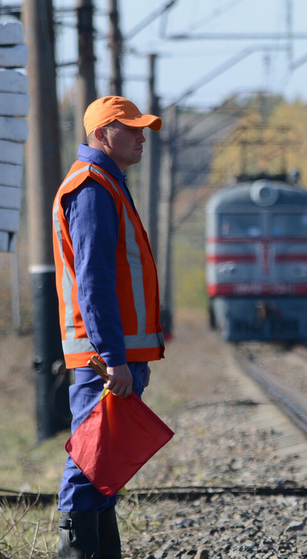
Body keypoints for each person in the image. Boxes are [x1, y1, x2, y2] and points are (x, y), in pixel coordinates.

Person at [52, 96, 166, 558]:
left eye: (143, 129)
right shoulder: (93, 188)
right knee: (91, 461)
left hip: (115, 355)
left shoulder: (107, 184)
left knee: (105, 467)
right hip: (102, 358)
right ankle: (74, 551)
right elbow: (95, 282)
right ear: (102, 134)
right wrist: (116, 358)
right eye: (132, 129)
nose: (142, 137)